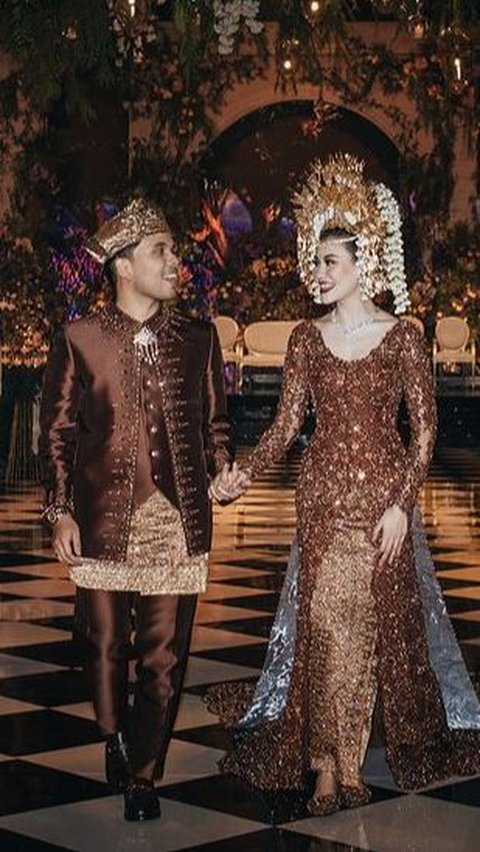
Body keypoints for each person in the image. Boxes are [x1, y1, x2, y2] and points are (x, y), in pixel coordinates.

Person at [209, 155, 480, 815]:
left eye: (329, 262)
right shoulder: (305, 338)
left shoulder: (404, 338)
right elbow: (283, 427)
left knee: (363, 629)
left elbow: (424, 432)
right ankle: (329, 767)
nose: (317, 273)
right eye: (316, 261)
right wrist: (243, 472)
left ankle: (348, 759)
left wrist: (401, 507)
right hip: (323, 500)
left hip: (384, 504)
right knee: (329, 624)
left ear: (364, 263)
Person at [39, 198, 242, 822]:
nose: (176, 262)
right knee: (104, 647)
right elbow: (57, 431)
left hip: (176, 522)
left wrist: (223, 470)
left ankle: (144, 774)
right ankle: (113, 734)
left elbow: (214, 425)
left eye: (174, 251)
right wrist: (61, 511)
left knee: (164, 657)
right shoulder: (80, 338)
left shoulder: (199, 337)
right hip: (101, 519)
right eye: (162, 251)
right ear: (124, 266)